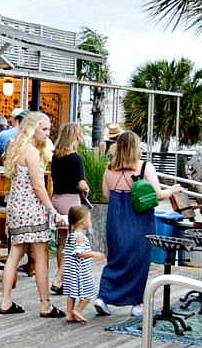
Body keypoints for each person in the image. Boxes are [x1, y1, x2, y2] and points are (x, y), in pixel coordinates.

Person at [94, 131, 181, 318]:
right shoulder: (144, 167)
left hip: (116, 218)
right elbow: (157, 194)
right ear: (135, 147)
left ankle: (104, 297)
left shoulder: (109, 169)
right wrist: (173, 190)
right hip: (140, 219)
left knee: (116, 258)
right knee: (139, 260)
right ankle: (136, 302)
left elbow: (106, 195)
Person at [0, 111, 64, 318]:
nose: (47, 133)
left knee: (15, 253)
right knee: (41, 255)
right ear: (32, 129)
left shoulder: (17, 149)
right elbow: (38, 185)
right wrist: (52, 210)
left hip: (16, 206)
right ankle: (45, 304)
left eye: (48, 129)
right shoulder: (32, 152)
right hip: (32, 208)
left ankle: (6, 300)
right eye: (43, 129)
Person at [50, 123, 90, 292]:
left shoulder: (56, 157)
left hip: (57, 199)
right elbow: (81, 183)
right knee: (75, 242)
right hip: (71, 201)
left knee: (62, 242)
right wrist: (87, 189)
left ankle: (64, 280)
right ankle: (60, 279)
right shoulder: (75, 158)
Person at [62, 205, 104, 323]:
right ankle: (78, 310)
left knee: (71, 293)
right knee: (89, 292)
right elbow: (79, 253)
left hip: (71, 272)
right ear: (82, 222)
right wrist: (93, 254)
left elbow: (66, 253)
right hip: (80, 272)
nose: (90, 222)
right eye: (89, 219)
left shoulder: (71, 235)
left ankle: (69, 314)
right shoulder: (80, 237)